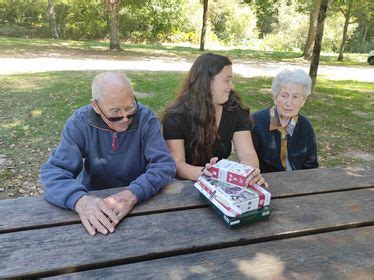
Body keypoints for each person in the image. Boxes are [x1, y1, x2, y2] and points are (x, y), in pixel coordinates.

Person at [40, 72, 176, 236]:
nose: (125, 118)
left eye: (130, 107)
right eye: (115, 112)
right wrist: (79, 200)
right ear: (96, 106)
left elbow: (164, 165)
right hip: (93, 204)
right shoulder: (80, 123)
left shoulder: (146, 119)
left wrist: (133, 194)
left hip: (141, 202)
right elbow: (53, 172)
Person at [161, 53, 267, 187]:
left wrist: (248, 174)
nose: (232, 86)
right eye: (227, 80)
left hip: (220, 183)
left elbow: (247, 153)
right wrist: (207, 173)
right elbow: (177, 164)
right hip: (185, 185)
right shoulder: (176, 117)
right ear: (206, 82)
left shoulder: (234, 109)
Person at [251, 69, 318, 173]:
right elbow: (250, 165)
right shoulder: (256, 122)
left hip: (299, 182)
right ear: (275, 97)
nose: (289, 103)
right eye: (284, 96)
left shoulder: (305, 126)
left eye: (295, 97)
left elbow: (311, 165)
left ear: (303, 101)